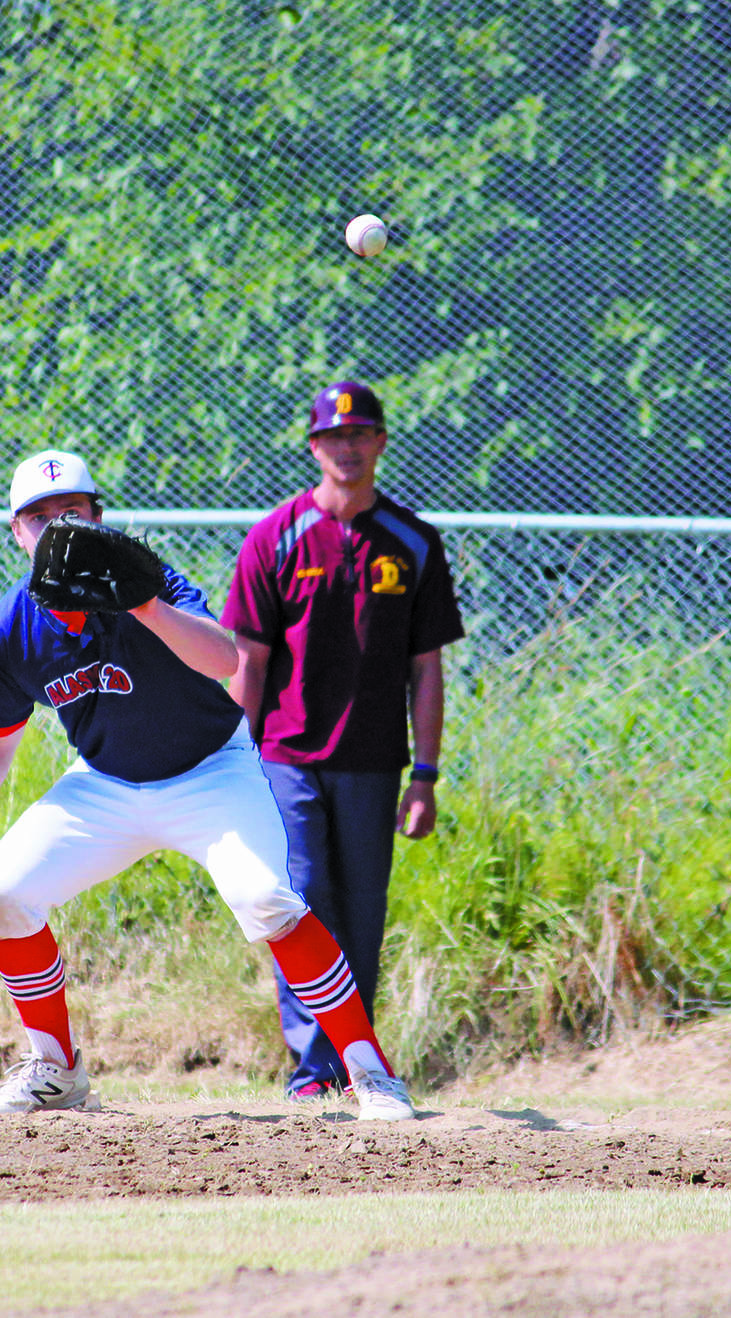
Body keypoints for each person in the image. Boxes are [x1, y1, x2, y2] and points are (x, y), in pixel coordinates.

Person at [0, 448, 416, 1119]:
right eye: (39, 517)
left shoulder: (150, 584)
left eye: (73, 512)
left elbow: (223, 657)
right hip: (105, 785)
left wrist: (145, 604)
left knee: (266, 898)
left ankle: (370, 1072)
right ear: (15, 532)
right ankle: (56, 1072)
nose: (58, 527)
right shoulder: (10, 629)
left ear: (99, 518)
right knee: (4, 893)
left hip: (212, 771)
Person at [223, 382, 465, 1098]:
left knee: (361, 913)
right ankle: (312, 1072)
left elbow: (426, 668)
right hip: (285, 759)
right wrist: (235, 764)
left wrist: (425, 773)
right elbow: (250, 663)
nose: (348, 448)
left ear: (382, 442)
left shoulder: (414, 543)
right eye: (333, 437)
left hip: (372, 761)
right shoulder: (275, 537)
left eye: (361, 434)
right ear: (313, 448)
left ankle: (359, 1066)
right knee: (302, 903)